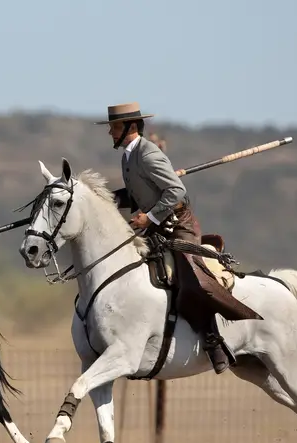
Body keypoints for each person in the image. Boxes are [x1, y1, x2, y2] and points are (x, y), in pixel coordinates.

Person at [97, 102, 262, 374]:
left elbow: (175, 191)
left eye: (114, 127)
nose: (110, 133)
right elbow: (136, 194)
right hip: (155, 228)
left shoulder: (147, 154)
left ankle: (213, 341)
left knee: (189, 278)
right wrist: (103, 200)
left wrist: (148, 217)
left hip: (179, 224)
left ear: (130, 127)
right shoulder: (128, 156)